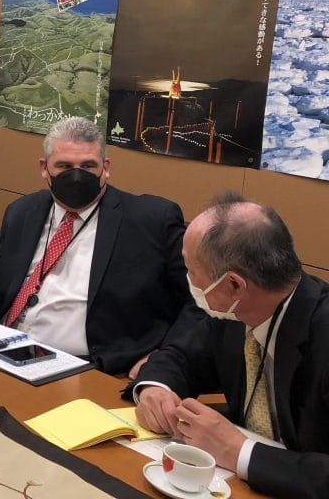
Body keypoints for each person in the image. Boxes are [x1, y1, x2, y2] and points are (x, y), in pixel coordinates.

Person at [0, 116, 195, 375]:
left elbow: (199, 304)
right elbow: (1, 281)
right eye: (65, 166)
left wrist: (165, 357)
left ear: (106, 167)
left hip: (83, 368)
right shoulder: (23, 211)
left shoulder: (150, 221)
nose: (77, 176)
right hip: (1, 348)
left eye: (89, 166)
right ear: (44, 168)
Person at [134, 194, 329, 499]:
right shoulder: (235, 312)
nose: (188, 280)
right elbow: (180, 356)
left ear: (234, 285)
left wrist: (239, 451)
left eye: (191, 270)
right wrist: (154, 389)